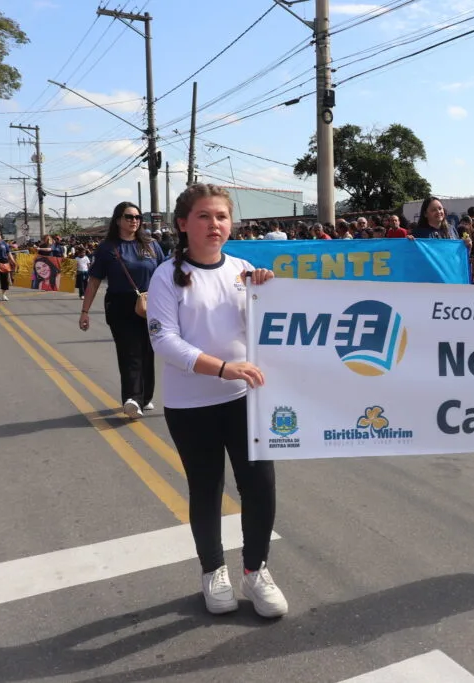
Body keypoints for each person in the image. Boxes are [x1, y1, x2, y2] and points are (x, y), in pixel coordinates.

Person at [147, 183, 287, 618]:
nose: (214, 224)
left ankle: (255, 570)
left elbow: (266, 329)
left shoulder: (245, 270)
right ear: (182, 224)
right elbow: (164, 341)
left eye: (222, 216)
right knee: (206, 489)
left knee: (260, 486)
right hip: (192, 406)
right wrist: (222, 368)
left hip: (245, 399)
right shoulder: (165, 276)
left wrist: (269, 293)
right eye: (204, 216)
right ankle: (213, 571)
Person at [79, 202, 165, 419]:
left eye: (137, 217)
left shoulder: (151, 245)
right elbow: (94, 281)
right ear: (118, 220)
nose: (134, 220)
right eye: (129, 217)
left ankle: (145, 396)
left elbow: (165, 275)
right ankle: (132, 398)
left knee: (147, 351)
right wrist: (85, 311)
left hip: (150, 304)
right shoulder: (107, 248)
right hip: (120, 305)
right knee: (130, 351)